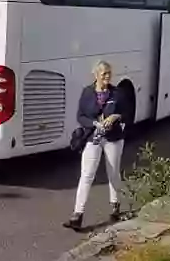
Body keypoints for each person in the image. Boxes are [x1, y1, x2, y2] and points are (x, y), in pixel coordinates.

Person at [64, 60, 130, 230]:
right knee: (87, 175)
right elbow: (80, 117)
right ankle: (77, 215)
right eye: (104, 74)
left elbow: (127, 113)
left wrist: (115, 117)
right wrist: (95, 123)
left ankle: (115, 205)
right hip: (93, 137)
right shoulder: (87, 93)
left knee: (113, 173)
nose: (108, 77)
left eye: (109, 73)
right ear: (96, 75)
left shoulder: (117, 93)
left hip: (113, 138)